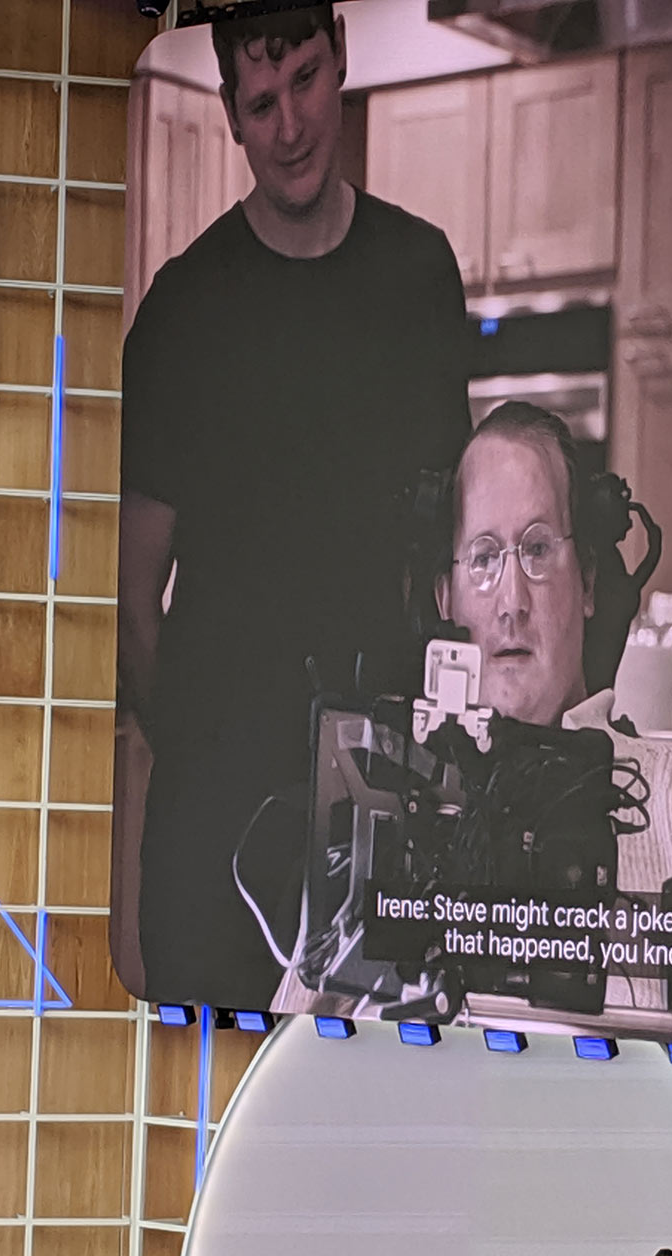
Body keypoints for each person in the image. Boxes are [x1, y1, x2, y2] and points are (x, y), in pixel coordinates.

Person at [115, 3, 471, 1010]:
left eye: (306, 80)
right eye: (261, 102)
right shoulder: (185, 313)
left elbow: (450, 548)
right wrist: (193, 754)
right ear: (229, 113)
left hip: (384, 811)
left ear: (343, 59)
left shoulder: (418, 276)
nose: (290, 126)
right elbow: (132, 590)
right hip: (215, 822)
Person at [269, 401, 672, 1032]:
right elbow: (286, 1061)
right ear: (444, 596)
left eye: (538, 549)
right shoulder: (381, 802)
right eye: (483, 558)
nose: (511, 602)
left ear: (589, 582)